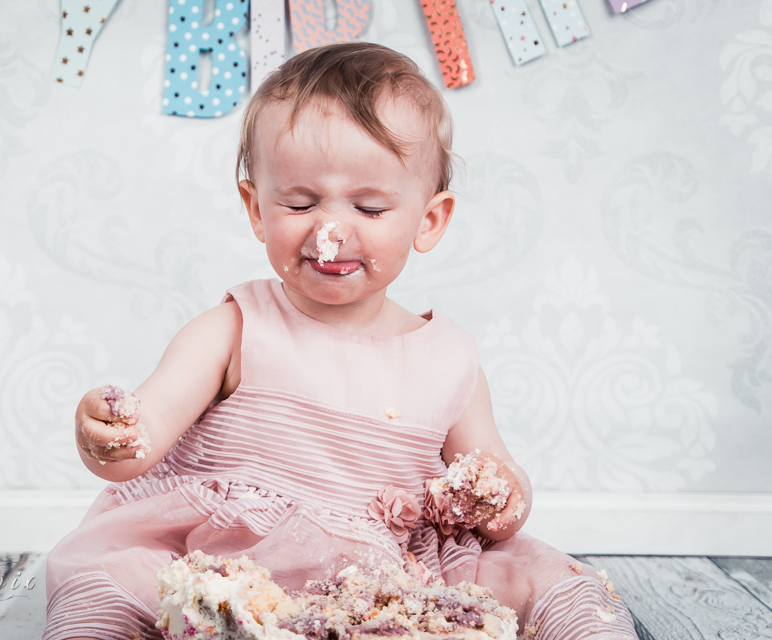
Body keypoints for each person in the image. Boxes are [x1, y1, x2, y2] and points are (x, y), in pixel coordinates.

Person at [44, 42, 637, 640]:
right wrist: (109, 434)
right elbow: (139, 443)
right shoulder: (234, 327)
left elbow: (498, 494)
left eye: (371, 208)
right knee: (119, 578)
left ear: (428, 220)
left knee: (545, 576)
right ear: (256, 209)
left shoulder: (448, 359)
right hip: (221, 559)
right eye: (299, 203)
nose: (330, 229)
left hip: (385, 573)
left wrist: (499, 498)